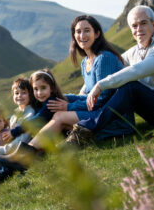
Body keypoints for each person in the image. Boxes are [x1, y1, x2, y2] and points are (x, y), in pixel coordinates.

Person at [66, 5, 154, 146]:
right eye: (134, 26)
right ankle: (86, 130)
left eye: (143, 23)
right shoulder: (136, 51)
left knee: (130, 86)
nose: (139, 29)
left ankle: (87, 129)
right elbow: (113, 66)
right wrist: (84, 90)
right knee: (124, 83)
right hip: (152, 111)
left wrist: (99, 86)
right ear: (131, 30)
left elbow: (135, 71)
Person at [25, 15, 124, 150]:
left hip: (112, 117)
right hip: (97, 113)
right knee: (57, 117)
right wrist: (64, 98)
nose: (82, 35)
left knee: (60, 116)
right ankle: (31, 152)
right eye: (78, 31)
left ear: (97, 33)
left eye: (87, 30)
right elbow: (89, 96)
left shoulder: (104, 58)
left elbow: (102, 98)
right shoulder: (85, 62)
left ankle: (26, 152)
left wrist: (69, 106)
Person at [0, 69, 61, 188]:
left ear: (30, 94)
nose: (19, 96)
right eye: (16, 93)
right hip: (17, 148)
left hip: (28, 149)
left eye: (23, 93)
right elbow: (11, 135)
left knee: (6, 166)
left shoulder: (30, 114)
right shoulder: (16, 114)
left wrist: (4, 149)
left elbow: (24, 138)